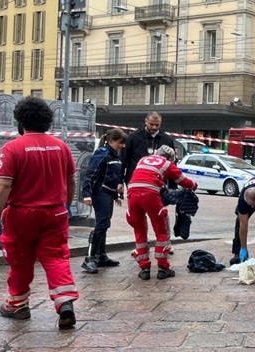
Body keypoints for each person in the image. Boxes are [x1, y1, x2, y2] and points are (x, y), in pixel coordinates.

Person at [0, 97, 79, 329]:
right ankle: (64, 302)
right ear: (48, 121)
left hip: (22, 214)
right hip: (55, 213)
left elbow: (3, 185)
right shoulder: (62, 147)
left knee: (20, 259)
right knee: (57, 257)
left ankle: (17, 305)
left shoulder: (13, 148)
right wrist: (67, 205)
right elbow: (71, 180)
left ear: (20, 120)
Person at [126, 145, 197, 280]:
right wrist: (194, 185)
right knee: (161, 230)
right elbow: (182, 180)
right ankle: (163, 268)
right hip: (150, 193)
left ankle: (144, 268)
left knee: (139, 229)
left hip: (132, 192)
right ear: (170, 157)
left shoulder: (143, 160)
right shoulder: (168, 163)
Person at [81, 128, 127, 274]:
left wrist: (116, 195)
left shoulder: (116, 155)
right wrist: (87, 194)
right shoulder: (102, 154)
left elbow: (114, 175)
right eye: (120, 143)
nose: (123, 146)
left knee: (105, 223)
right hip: (100, 193)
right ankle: (90, 258)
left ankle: (101, 256)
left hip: (108, 193)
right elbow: (90, 174)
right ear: (111, 141)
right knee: (101, 224)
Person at [122, 111, 177, 184]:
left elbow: (172, 165)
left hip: (157, 182)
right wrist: (120, 181)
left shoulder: (167, 139)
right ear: (146, 121)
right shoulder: (133, 137)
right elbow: (123, 159)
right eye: (151, 124)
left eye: (157, 125)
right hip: (135, 180)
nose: (154, 127)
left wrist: (173, 186)